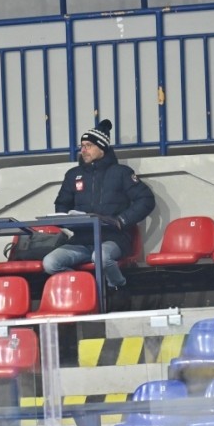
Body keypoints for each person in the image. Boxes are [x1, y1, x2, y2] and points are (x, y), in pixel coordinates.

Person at [42, 118, 154, 310]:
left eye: (88, 146)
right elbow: (61, 204)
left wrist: (121, 221)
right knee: (50, 263)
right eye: (82, 146)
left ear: (102, 148)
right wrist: (65, 221)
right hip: (81, 239)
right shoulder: (73, 175)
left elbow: (146, 200)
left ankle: (119, 287)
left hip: (113, 238)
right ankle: (88, 289)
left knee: (100, 256)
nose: (83, 150)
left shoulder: (121, 172)